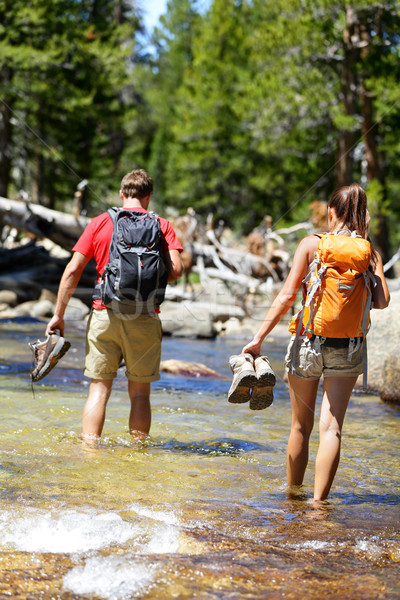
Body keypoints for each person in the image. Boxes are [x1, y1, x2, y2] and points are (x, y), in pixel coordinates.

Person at [242, 183, 390, 503]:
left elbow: (286, 296)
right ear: (363, 216)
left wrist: (258, 339)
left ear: (330, 213)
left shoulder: (312, 244)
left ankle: (292, 497)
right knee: (332, 428)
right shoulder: (368, 251)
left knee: (300, 427)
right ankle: (318, 504)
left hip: (308, 344)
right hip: (349, 348)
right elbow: (382, 302)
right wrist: (373, 267)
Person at [45, 169, 183, 444]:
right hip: (144, 315)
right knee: (140, 393)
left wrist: (58, 314)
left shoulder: (99, 222)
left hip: (103, 312)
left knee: (98, 389)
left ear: (122, 194)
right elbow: (177, 270)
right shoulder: (162, 225)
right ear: (149, 196)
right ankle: (138, 455)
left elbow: (73, 270)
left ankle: (90, 451)